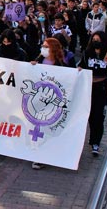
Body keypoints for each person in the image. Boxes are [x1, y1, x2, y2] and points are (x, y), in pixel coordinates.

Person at [78, 31, 107, 157]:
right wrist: (79, 69)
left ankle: (96, 142)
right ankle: (89, 139)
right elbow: (82, 66)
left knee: (99, 116)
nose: (96, 41)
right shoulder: (87, 53)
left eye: (98, 39)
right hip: (88, 88)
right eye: (94, 39)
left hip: (101, 88)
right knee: (88, 115)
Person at [29, 37, 66, 169]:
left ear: (53, 49)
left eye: (46, 47)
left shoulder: (60, 65)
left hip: (51, 102)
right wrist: (31, 66)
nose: (43, 49)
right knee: (37, 129)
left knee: (46, 129)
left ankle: (43, 155)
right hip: (37, 100)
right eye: (43, 46)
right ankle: (36, 156)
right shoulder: (39, 60)